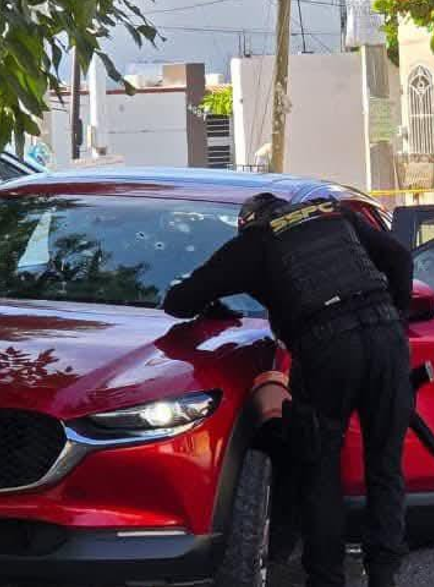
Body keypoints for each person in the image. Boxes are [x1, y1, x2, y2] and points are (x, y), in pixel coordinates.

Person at [162, 193, 414, 587]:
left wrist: (213, 302)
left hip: (328, 347)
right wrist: (397, 318)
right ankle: (384, 575)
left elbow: (179, 301)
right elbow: (399, 258)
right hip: (387, 339)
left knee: (320, 467)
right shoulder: (336, 216)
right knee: (385, 463)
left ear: (250, 221)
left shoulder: (255, 242)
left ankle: (326, 579)